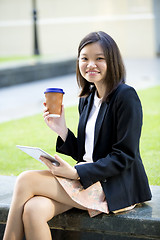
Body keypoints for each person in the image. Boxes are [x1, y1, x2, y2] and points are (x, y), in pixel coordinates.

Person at [3, 31, 152, 240]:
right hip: (88, 179)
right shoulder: (88, 98)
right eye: (85, 58)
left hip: (114, 185)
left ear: (112, 61)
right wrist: (61, 129)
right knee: (34, 210)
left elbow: (124, 156)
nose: (91, 64)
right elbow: (86, 152)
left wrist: (74, 174)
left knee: (26, 180)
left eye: (99, 58)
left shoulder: (126, 97)